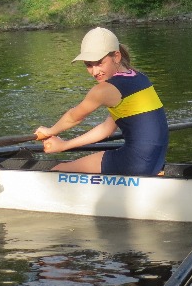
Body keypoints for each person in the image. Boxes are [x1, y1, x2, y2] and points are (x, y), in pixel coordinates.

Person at [35, 27, 169, 175]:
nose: (95, 71)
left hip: (136, 161)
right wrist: (64, 145)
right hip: (155, 161)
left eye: (99, 63)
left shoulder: (104, 90)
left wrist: (49, 131)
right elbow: (106, 129)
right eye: (88, 65)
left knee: (57, 171)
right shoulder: (140, 78)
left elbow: (74, 117)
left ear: (116, 56)